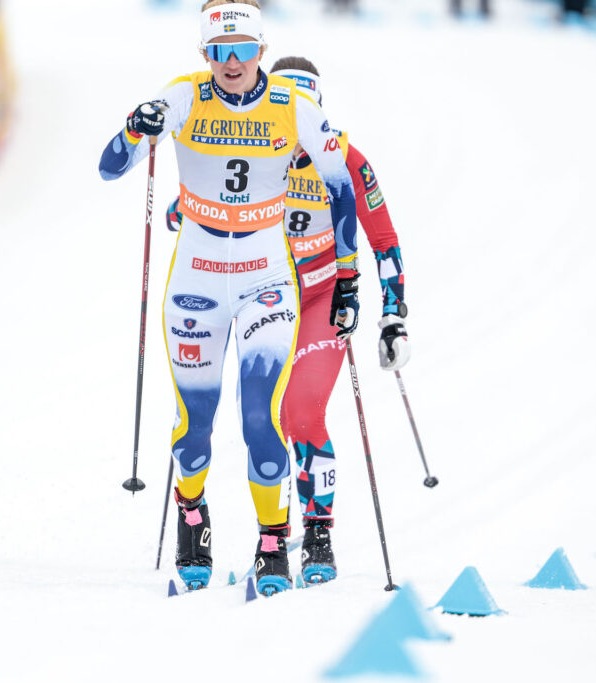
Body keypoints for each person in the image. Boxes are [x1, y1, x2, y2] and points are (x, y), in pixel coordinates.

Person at [99, 0, 358, 595]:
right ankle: (193, 516)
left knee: (260, 416)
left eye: (243, 50)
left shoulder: (295, 107)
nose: (232, 63)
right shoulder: (186, 95)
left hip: (268, 276)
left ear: (261, 51)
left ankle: (273, 542)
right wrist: (136, 126)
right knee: (195, 426)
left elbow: (341, 183)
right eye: (220, 51)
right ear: (205, 54)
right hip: (197, 277)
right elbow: (111, 167)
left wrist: (349, 277)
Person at [273, 56, 409, 584]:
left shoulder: (348, 159)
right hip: (261, 293)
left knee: (302, 411)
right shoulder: (252, 146)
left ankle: (318, 531)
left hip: (325, 297)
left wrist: (392, 315)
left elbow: (383, 239)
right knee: (264, 415)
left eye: (309, 110)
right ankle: (269, 530)